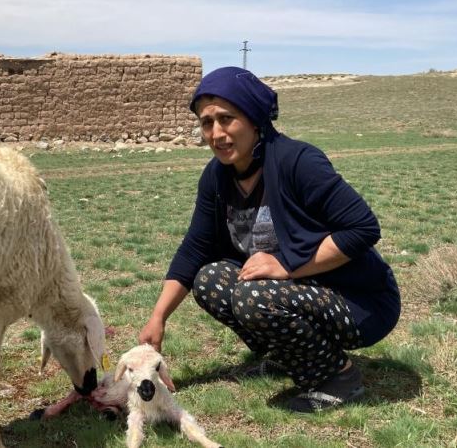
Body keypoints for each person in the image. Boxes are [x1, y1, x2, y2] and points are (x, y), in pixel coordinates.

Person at [137, 66, 401, 412]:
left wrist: (286, 264)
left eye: (227, 119)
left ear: (255, 119)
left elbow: (363, 229)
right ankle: (290, 357)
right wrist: (159, 317)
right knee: (210, 280)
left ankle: (339, 378)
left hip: (361, 301)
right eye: (206, 123)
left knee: (253, 295)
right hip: (300, 293)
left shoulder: (298, 161)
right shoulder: (217, 177)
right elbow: (196, 247)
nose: (216, 133)